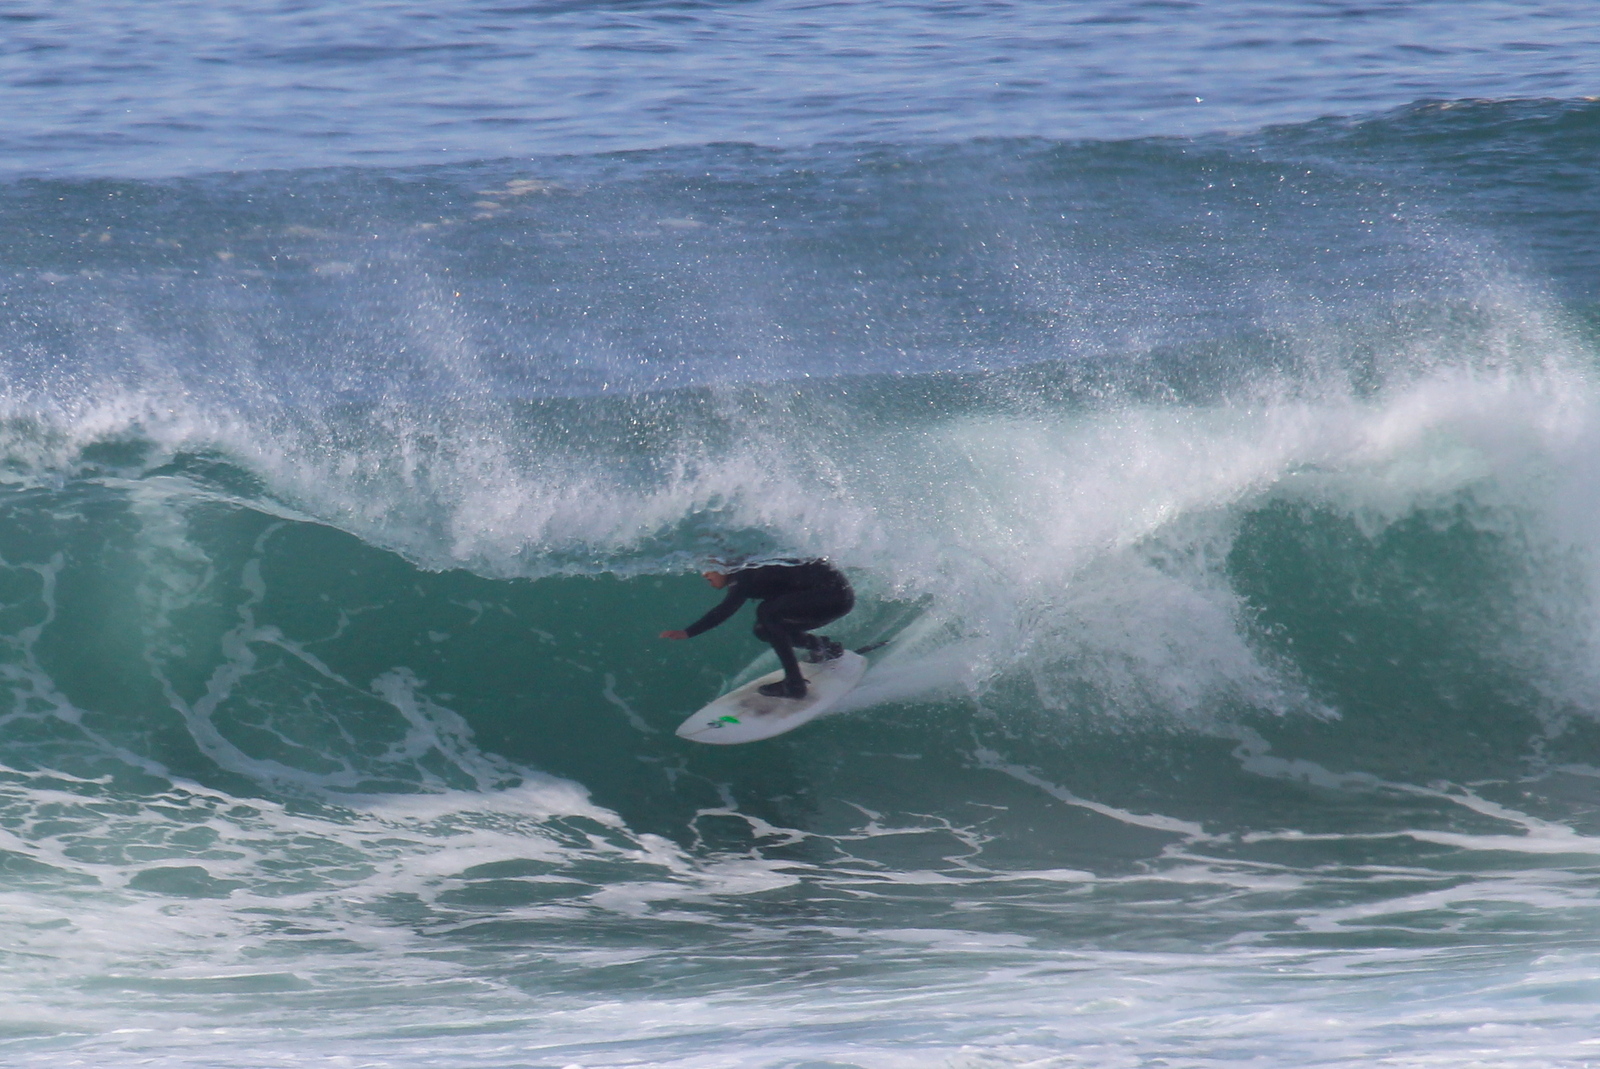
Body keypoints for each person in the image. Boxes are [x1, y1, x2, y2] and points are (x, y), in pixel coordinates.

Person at [660, 558, 854, 699]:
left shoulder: (743, 574)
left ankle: (794, 684)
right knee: (763, 629)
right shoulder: (748, 569)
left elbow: (725, 610)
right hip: (835, 596)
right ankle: (824, 647)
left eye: (708, 567)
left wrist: (688, 632)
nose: (704, 574)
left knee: (767, 613)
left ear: (724, 564)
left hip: (833, 594)